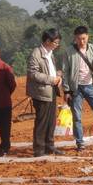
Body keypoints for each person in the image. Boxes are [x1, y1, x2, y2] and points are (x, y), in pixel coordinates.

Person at [27, 29, 64, 158]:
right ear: (48, 41)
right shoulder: (36, 54)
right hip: (41, 92)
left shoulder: (50, 53)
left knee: (51, 121)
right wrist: (51, 79)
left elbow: (51, 70)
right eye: (56, 42)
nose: (57, 45)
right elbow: (33, 74)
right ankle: (39, 149)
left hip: (51, 91)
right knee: (42, 121)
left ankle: (49, 146)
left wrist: (58, 76)